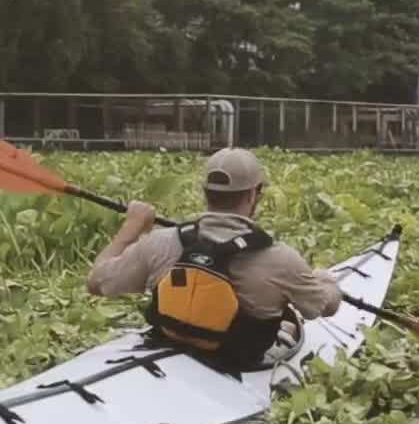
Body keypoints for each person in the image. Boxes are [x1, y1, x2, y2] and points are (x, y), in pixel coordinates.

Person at [87, 147, 340, 366]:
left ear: (205, 192)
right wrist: (325, 281)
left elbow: (96, 282)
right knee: (288, 323)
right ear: (254, 194)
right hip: (237, 363)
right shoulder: (282, 260)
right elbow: (325, 307)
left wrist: (132, 227)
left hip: (169, 349)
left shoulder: (160, 242)